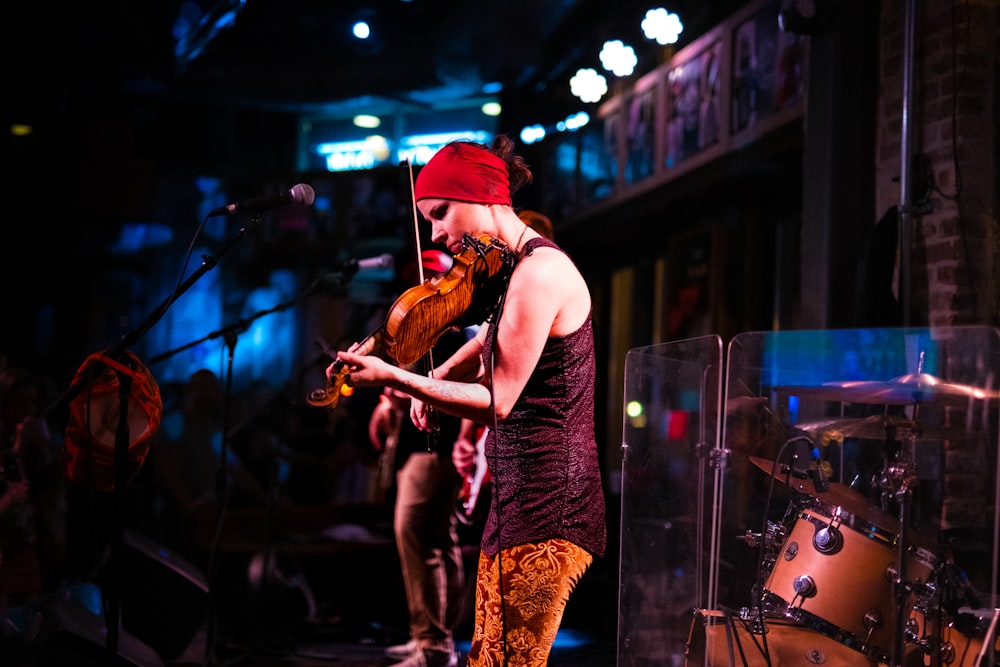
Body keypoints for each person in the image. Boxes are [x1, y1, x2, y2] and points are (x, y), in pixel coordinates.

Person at [332, 135, 607, 666]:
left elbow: (498, 399)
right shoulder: (513, 271)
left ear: (482, 198)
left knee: (510, 662)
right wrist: (443, 372)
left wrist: (398, 377)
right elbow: (489, 335)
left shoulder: (540, 272)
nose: (435, 232)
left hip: (554, 502)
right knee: (488, 659)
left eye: (440, 213)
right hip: (520, 497)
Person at [368, 249, 474, 667]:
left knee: (415, 535)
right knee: (436, 538)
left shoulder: (457, 328)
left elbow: (453, 383)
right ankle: (433, 639)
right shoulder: (422, 325)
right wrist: (386, 399)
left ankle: (431, 642)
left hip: (436, 446)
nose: (423, 287)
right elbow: (408, 376)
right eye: (419, 278)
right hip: (423, 445)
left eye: (431, 277)